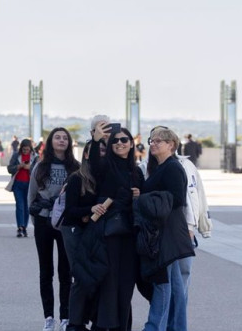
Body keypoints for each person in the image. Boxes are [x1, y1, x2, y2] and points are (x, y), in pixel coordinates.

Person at [136, 126, 194, 331]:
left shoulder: (172, 168)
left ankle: (154, 327)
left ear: (171, 145)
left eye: (158, 141)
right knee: (175, 285)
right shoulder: (161, 167)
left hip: (165, 233)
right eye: (152, 140)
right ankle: (177, 327)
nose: (153, 143)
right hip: (165, 231)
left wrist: (142, 198)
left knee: (163, 282)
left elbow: (177, 199)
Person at [89, 122, 144, 331]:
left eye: (124, 140)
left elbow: (144, 197)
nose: (119, 143)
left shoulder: (136, 171)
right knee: (109, 281)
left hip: (130, 233)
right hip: (110, 231)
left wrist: (140, 195)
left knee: (126, 283)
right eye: (115, 141)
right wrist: (96, 141)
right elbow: (94, 163)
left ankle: (122, 325)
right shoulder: (106, 166)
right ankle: (105, 325)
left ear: (131, 144)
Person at [28, 127, 80, 331]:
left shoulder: (75, 167)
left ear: (69, 143)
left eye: (64, 138)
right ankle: (49, 317)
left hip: (65, 224)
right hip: (43, 221)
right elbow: (31, 196)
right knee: (45, 271)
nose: (61, 140)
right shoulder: (40, 166)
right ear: (50, 142)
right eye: (57, 137)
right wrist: (35, 219)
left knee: (66, 271)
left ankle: (66, 316)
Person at [60, 141, 103, 331]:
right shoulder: (76, 178)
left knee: (92, 277)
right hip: (73, 231)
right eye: (96, 151)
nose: (100, 154)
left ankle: (87, 319)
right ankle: (74, 323)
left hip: (89, 232)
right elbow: (69, 211)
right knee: (80, 276)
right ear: (86, 154)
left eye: (103, 151)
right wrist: (90, 210)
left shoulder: (100, 177)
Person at [7, 139, 37, 238]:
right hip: (18, 184)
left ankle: (24, 226)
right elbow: (9, 168)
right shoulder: (16, 155)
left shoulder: (35, 157)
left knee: (27, 206)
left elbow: (39, 170)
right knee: (19, 205)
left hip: (29, 184)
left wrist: (30, 168)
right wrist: (18, 166)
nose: (25, 151)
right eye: (24, 150)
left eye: (27, 150)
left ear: (30, 149)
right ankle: (20, 227)